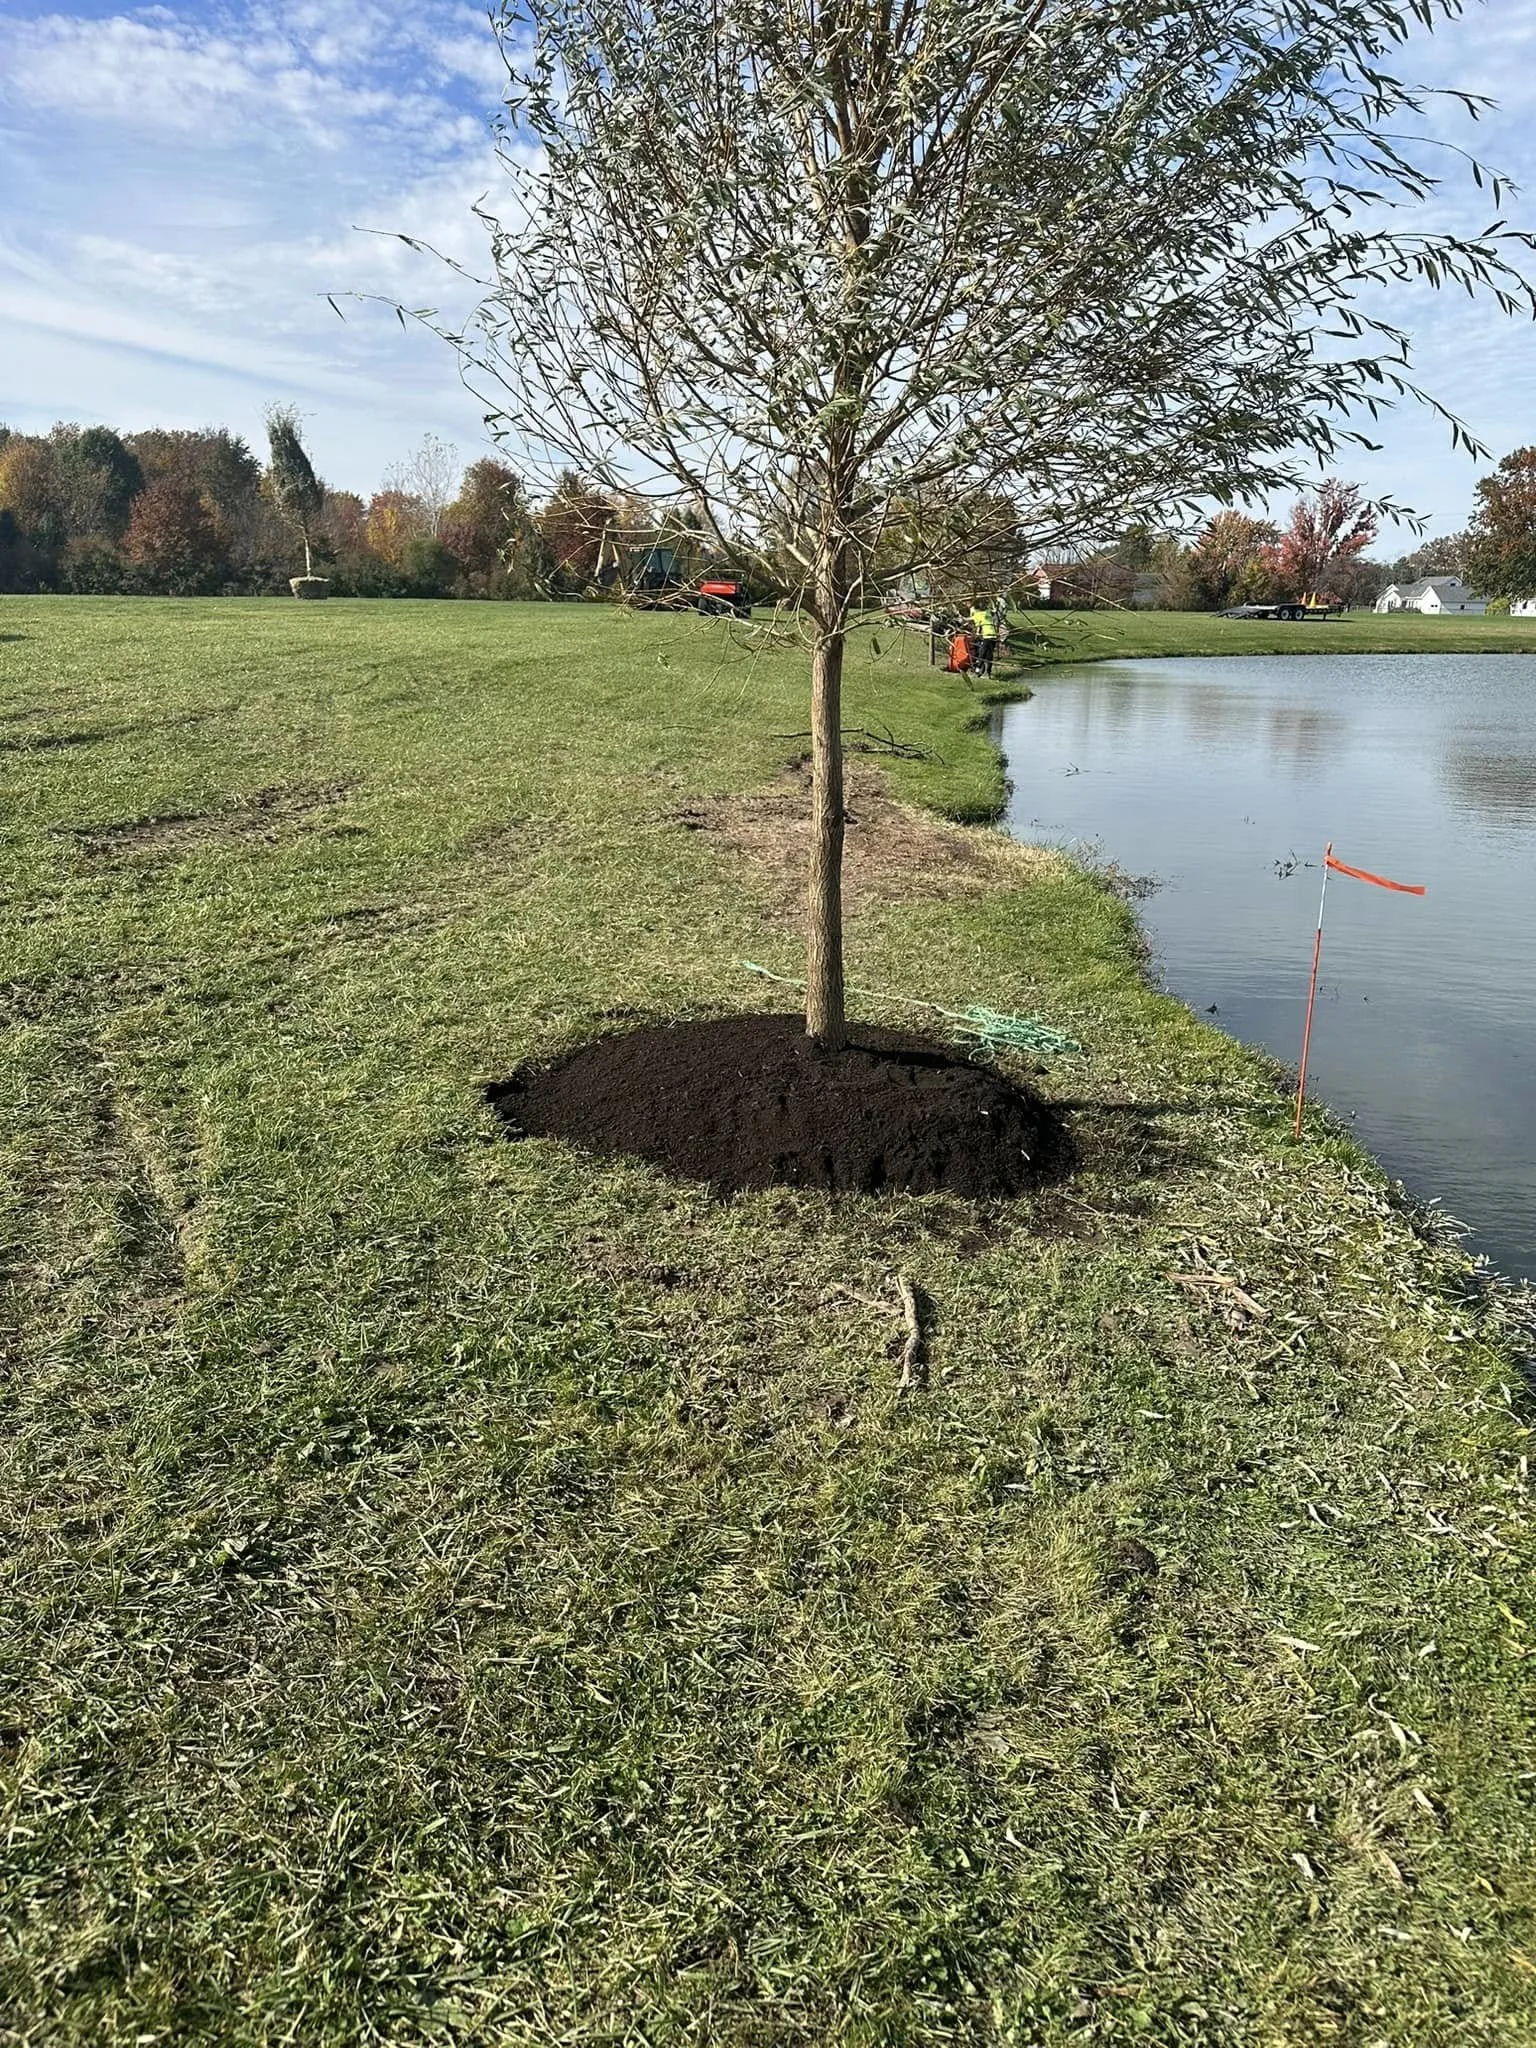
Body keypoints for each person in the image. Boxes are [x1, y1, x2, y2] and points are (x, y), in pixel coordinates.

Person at [968, 597, 999, 677]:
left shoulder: (977, 615)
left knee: (982, 653)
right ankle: (988, 672)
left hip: (987, 636)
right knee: (989, 655)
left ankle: (978, 670)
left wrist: (959, 616)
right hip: (993, 636)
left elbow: (976, 625)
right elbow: (993, 611)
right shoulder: (988, 612)